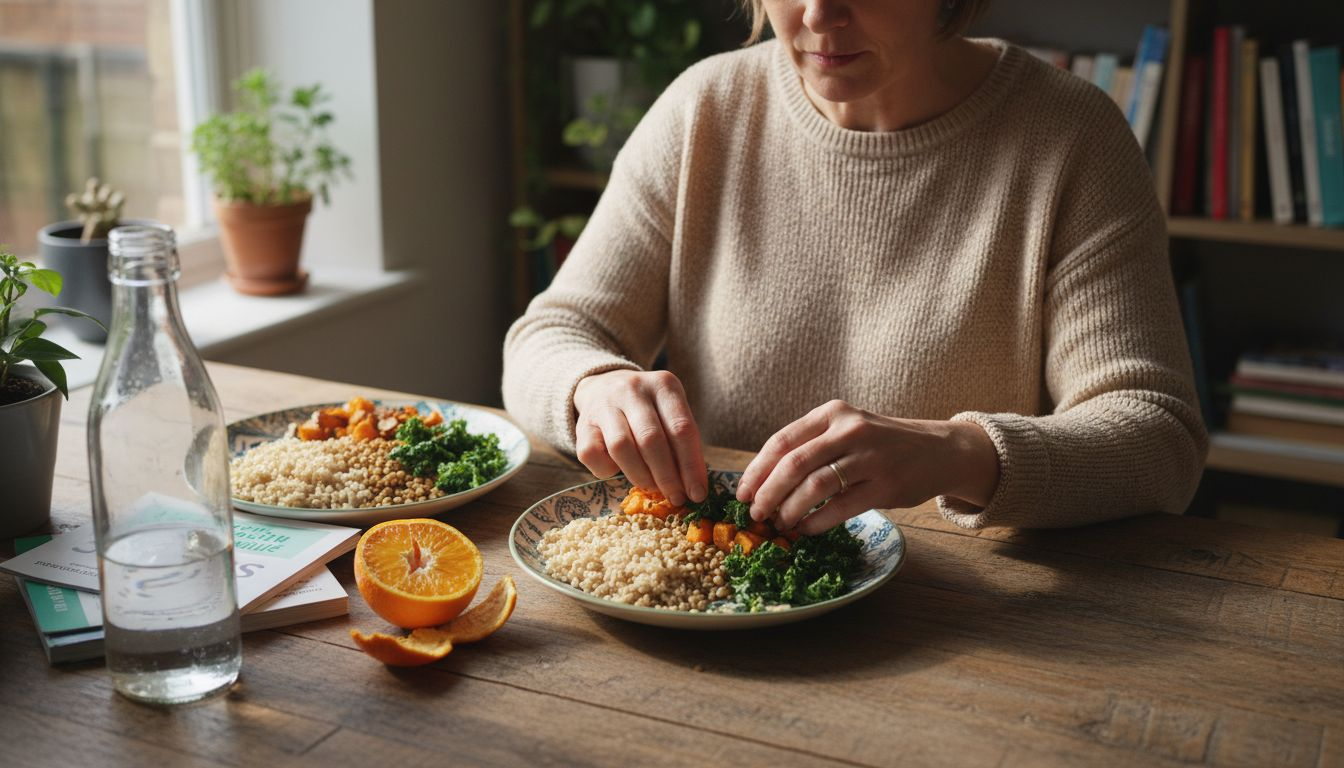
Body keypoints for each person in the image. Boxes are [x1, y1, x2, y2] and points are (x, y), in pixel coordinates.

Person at [502, 0, 1208, 534]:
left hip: (960, 626)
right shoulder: (704, 109)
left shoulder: (1071, 138)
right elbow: (549, 336)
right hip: (719, 593)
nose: (817, 15)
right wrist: (595, 387)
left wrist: (958, 453)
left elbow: (1159, 436)